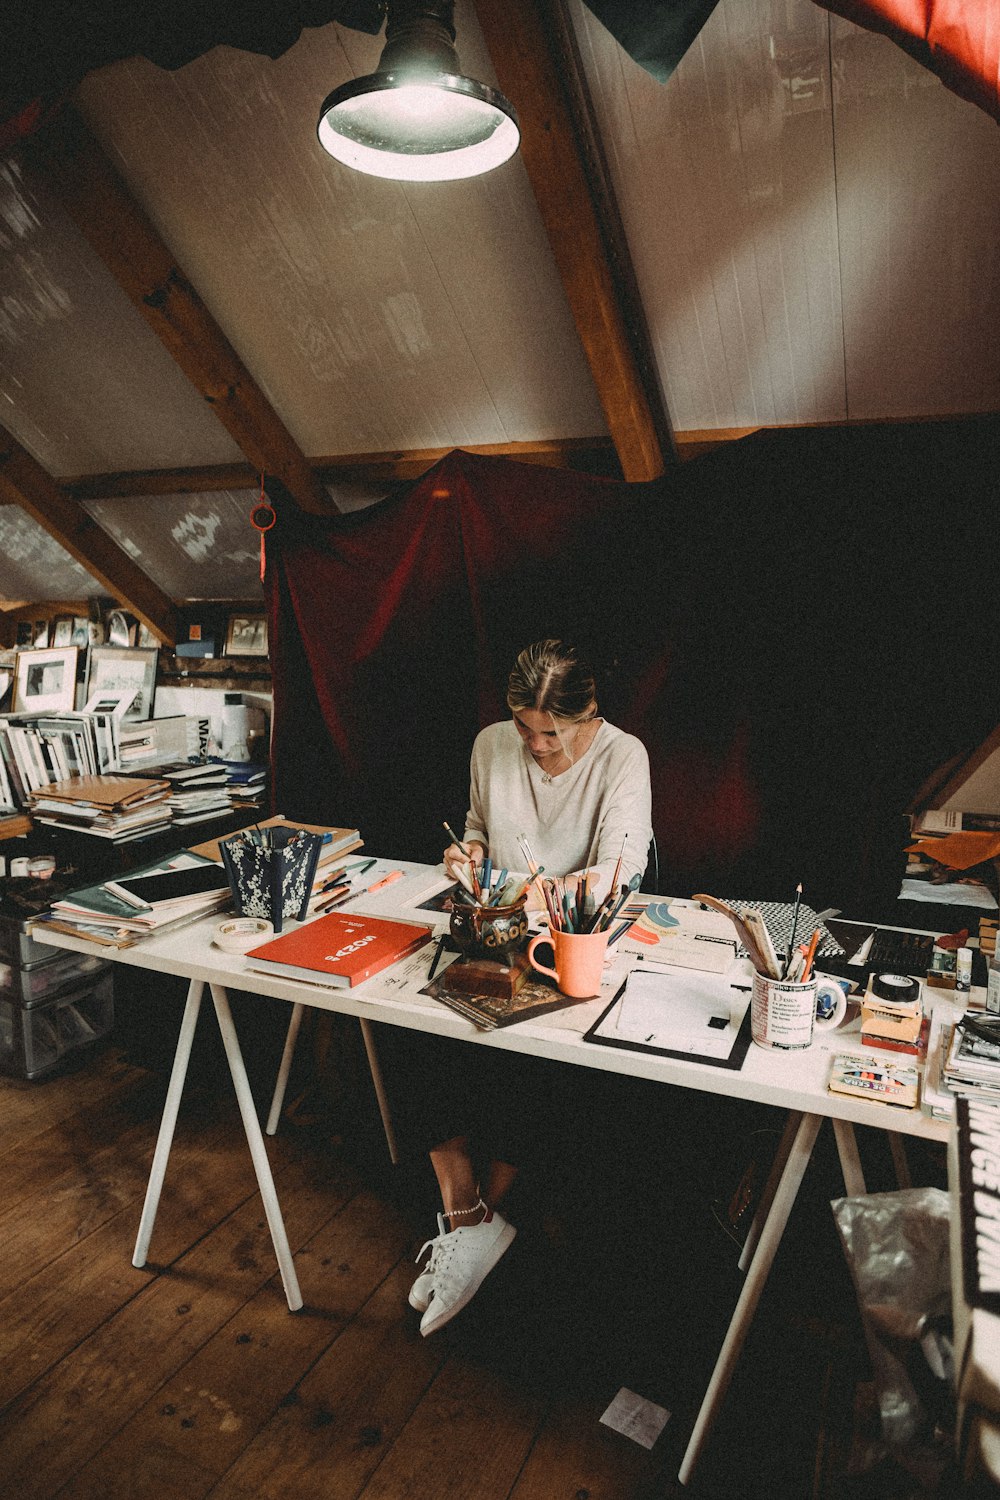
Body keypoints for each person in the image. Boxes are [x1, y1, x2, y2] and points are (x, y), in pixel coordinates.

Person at [410, 639, 652, 1336]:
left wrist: (572, 889)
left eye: (554, 732)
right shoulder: (491, 744)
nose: (537, 744)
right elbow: (482, 825)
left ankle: (479, 1220)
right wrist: (470, 854)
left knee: (534, 1040)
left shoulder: (621, 756)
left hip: (569, 939)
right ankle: (469, 1216)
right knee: (414, 1013)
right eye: (525, 726)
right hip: (494, 929)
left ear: (591, 713)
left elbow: (623, 865)